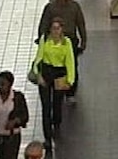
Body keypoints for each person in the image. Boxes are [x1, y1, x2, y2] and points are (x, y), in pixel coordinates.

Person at [38, 0, 87, 103]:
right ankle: (57, 89)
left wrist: (83, 40)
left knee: (72, 66)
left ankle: (70, 91)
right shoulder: (50, 8)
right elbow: (44, 24)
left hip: (70, 40)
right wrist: (42, 40)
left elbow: (80, 24)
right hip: (54, 41)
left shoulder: (75, 7)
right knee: (57, 67)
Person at [32, 18, 76, 152]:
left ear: (62, 29)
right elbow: (39, 57)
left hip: (59, 74)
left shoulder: (66, 42)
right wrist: (37, 74)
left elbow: (70, 61)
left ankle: (56, 123)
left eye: (58, 28)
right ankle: (47, 137)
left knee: (57, 103)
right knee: (46, 106)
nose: (55, 31)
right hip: (46, 72)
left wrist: (70, 80)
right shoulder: (45, 39)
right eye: (53, 28)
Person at [0, 71, 30, 159]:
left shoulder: (17, 98)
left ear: (10, 85)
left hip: (12, 137)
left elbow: (25, 116)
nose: (1, 87)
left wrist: (15, 121)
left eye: (3, 84)